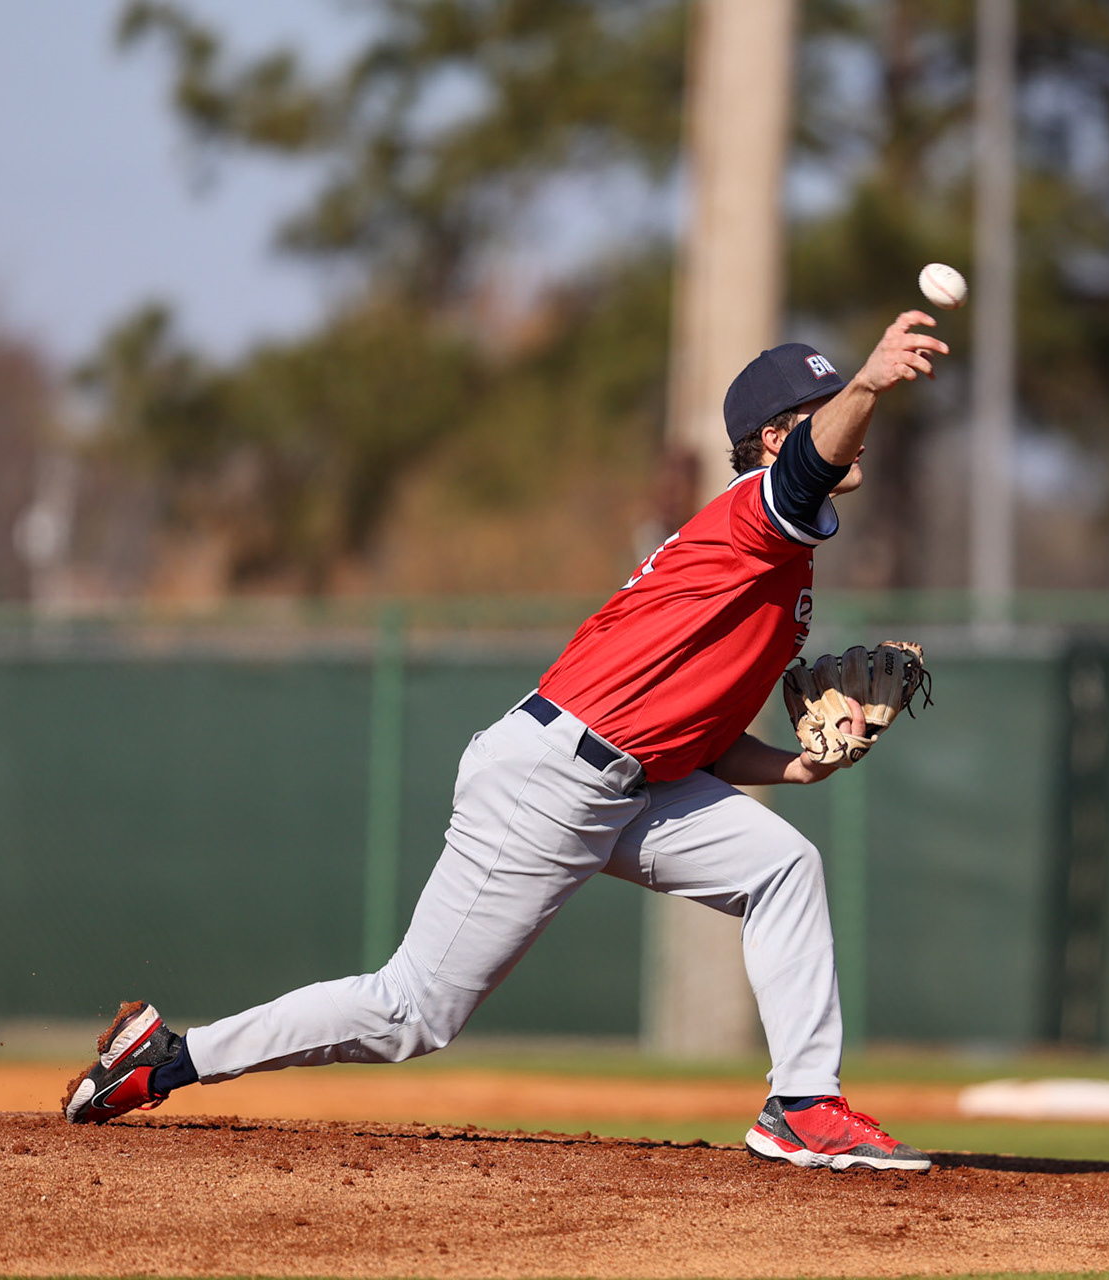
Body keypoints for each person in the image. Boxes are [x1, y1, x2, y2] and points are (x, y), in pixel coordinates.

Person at [63, 310, 949, 1172]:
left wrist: (797, 765)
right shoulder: (756, 512)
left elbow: (699, 743)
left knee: (783, 866)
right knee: (412, 1011)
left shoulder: (776, 563)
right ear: (774, 442)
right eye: (824, 413)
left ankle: (802, 1106)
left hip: (636, 782)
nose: (855, 434)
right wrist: (870, 382)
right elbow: (808, 466)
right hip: (553, 781)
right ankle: (167, 1058)